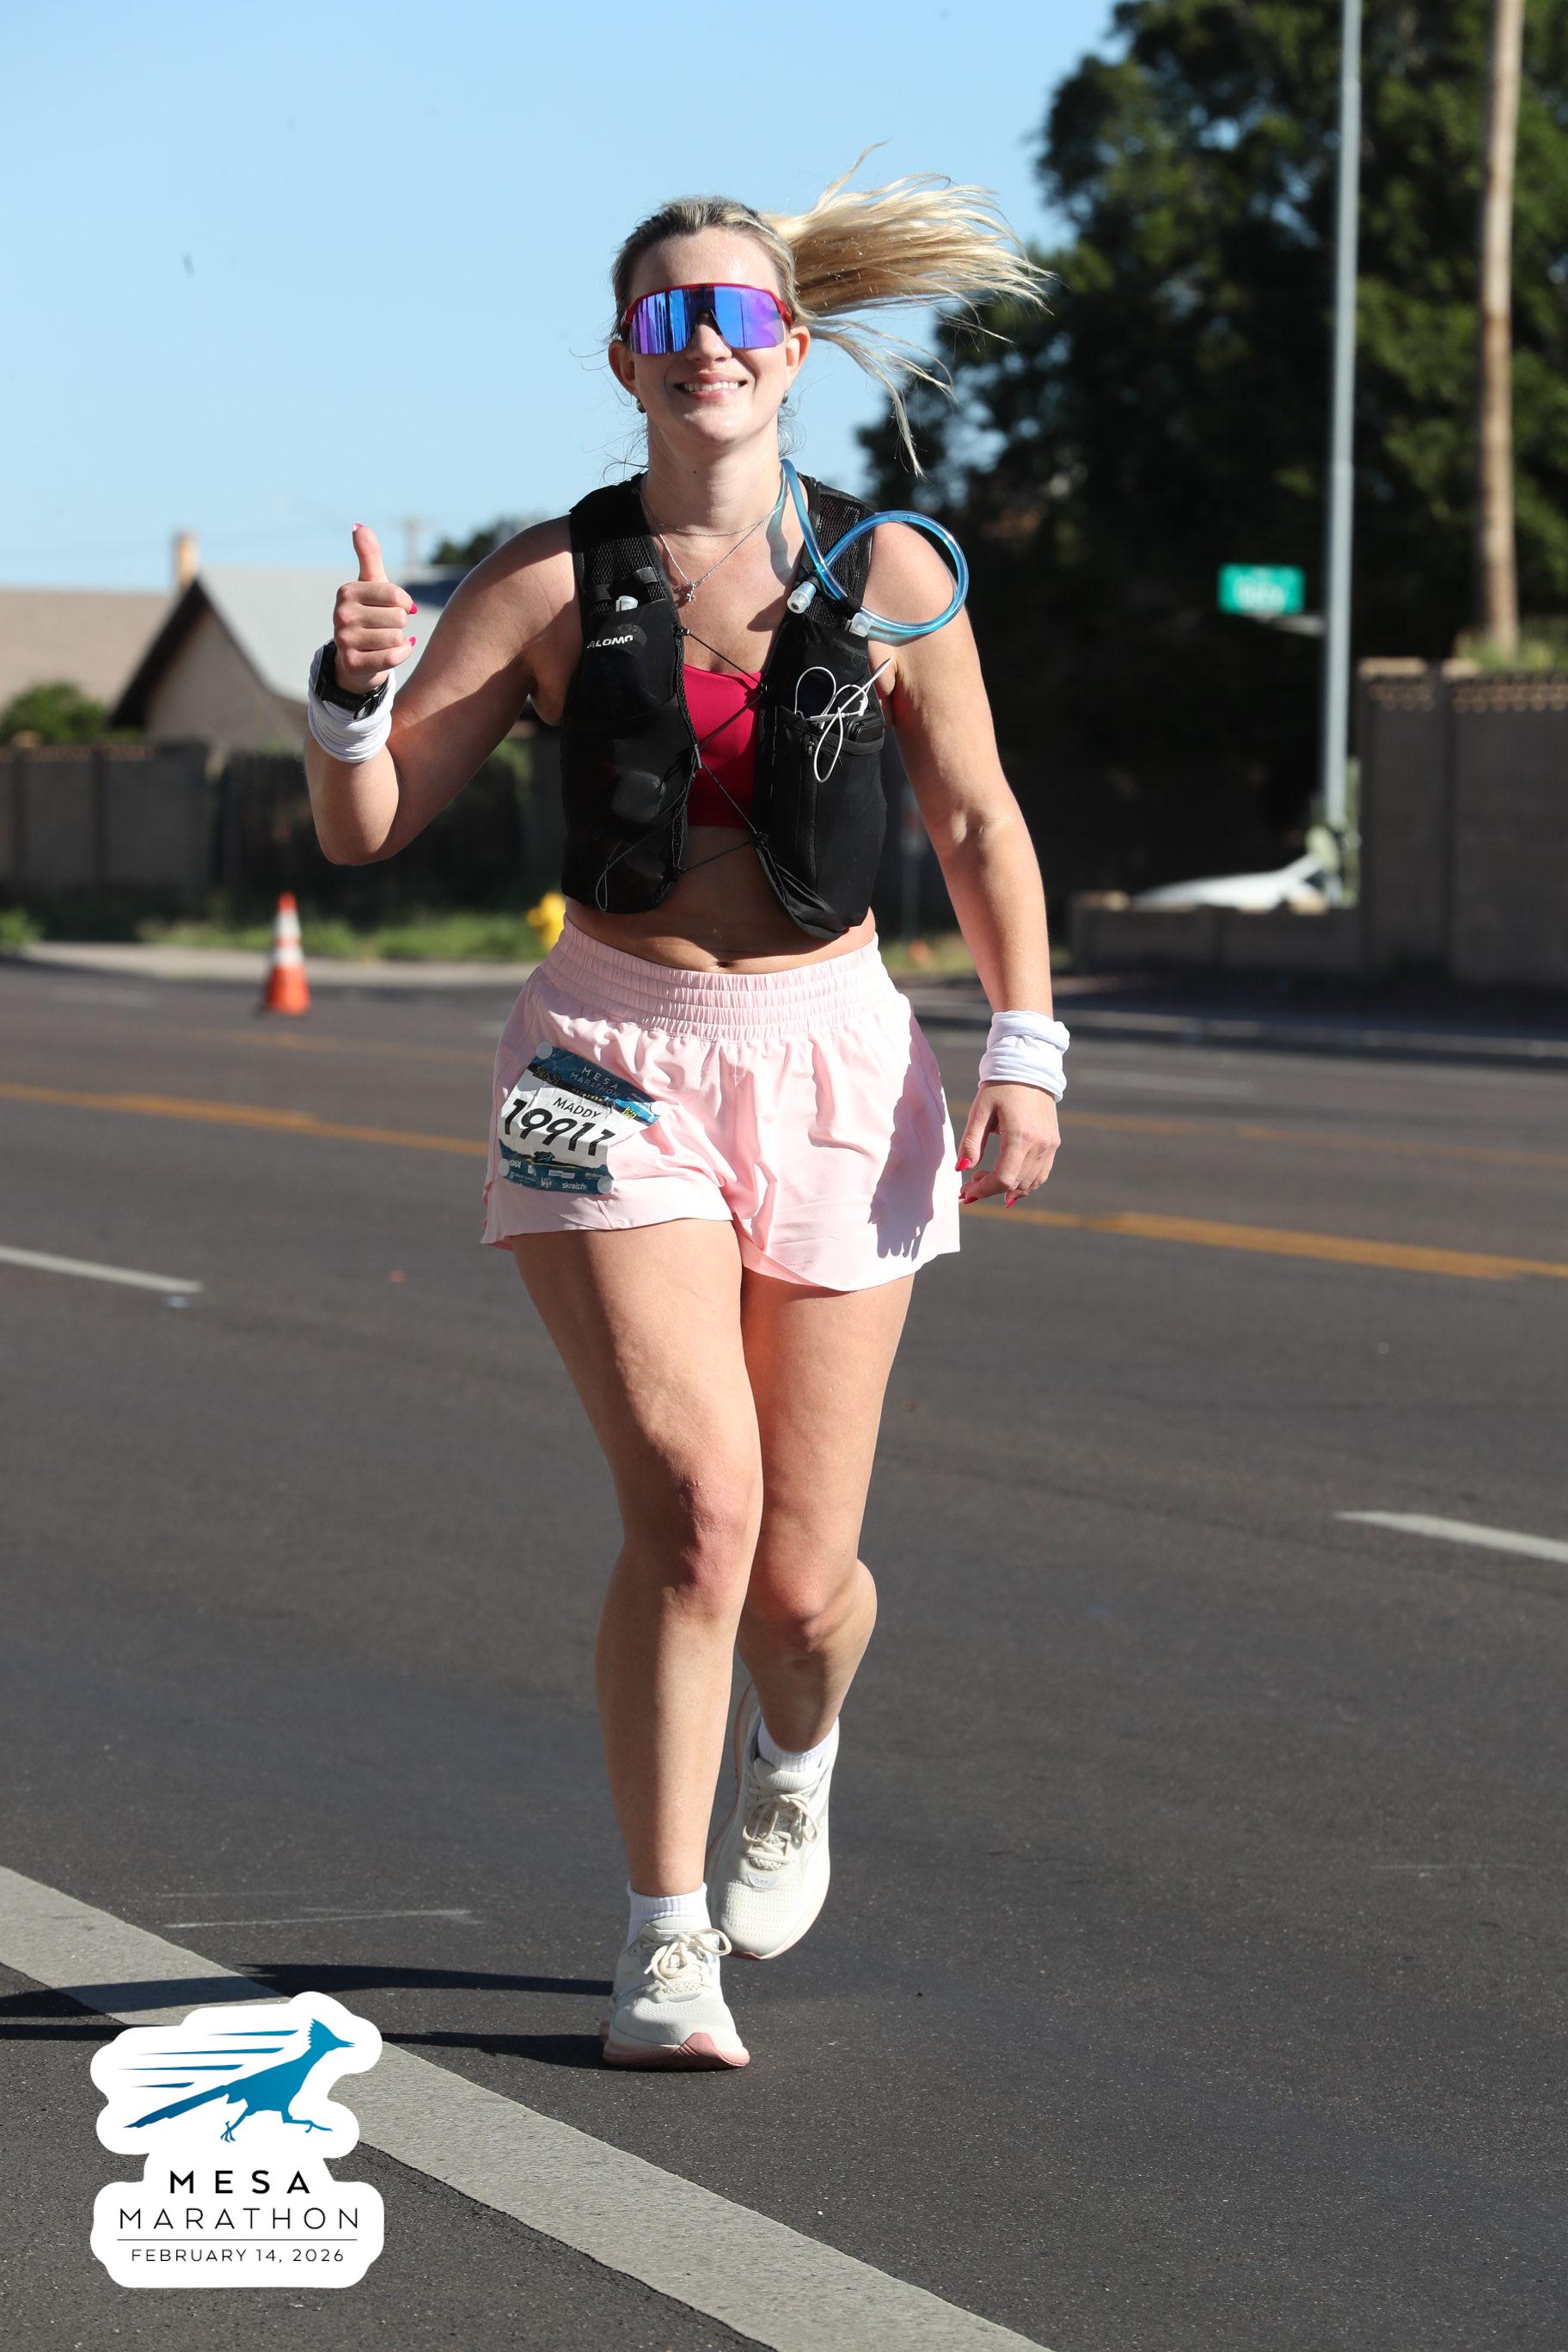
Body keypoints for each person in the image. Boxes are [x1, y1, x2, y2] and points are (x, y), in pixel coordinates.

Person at [303, 157, 1068, 2071]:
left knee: (800, 1588)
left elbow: (978, 820)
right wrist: (345, 701)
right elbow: (370, 826)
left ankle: (795, 1756)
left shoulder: (893, 577)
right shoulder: (546, 582)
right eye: (669, 317)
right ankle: (663, 1939)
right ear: (624, 359)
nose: (704, 344)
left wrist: (1027, 1046)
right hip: (606, 1056)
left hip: (835, 1055)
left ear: (790, 346)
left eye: (737, 315)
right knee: (698, 1511)